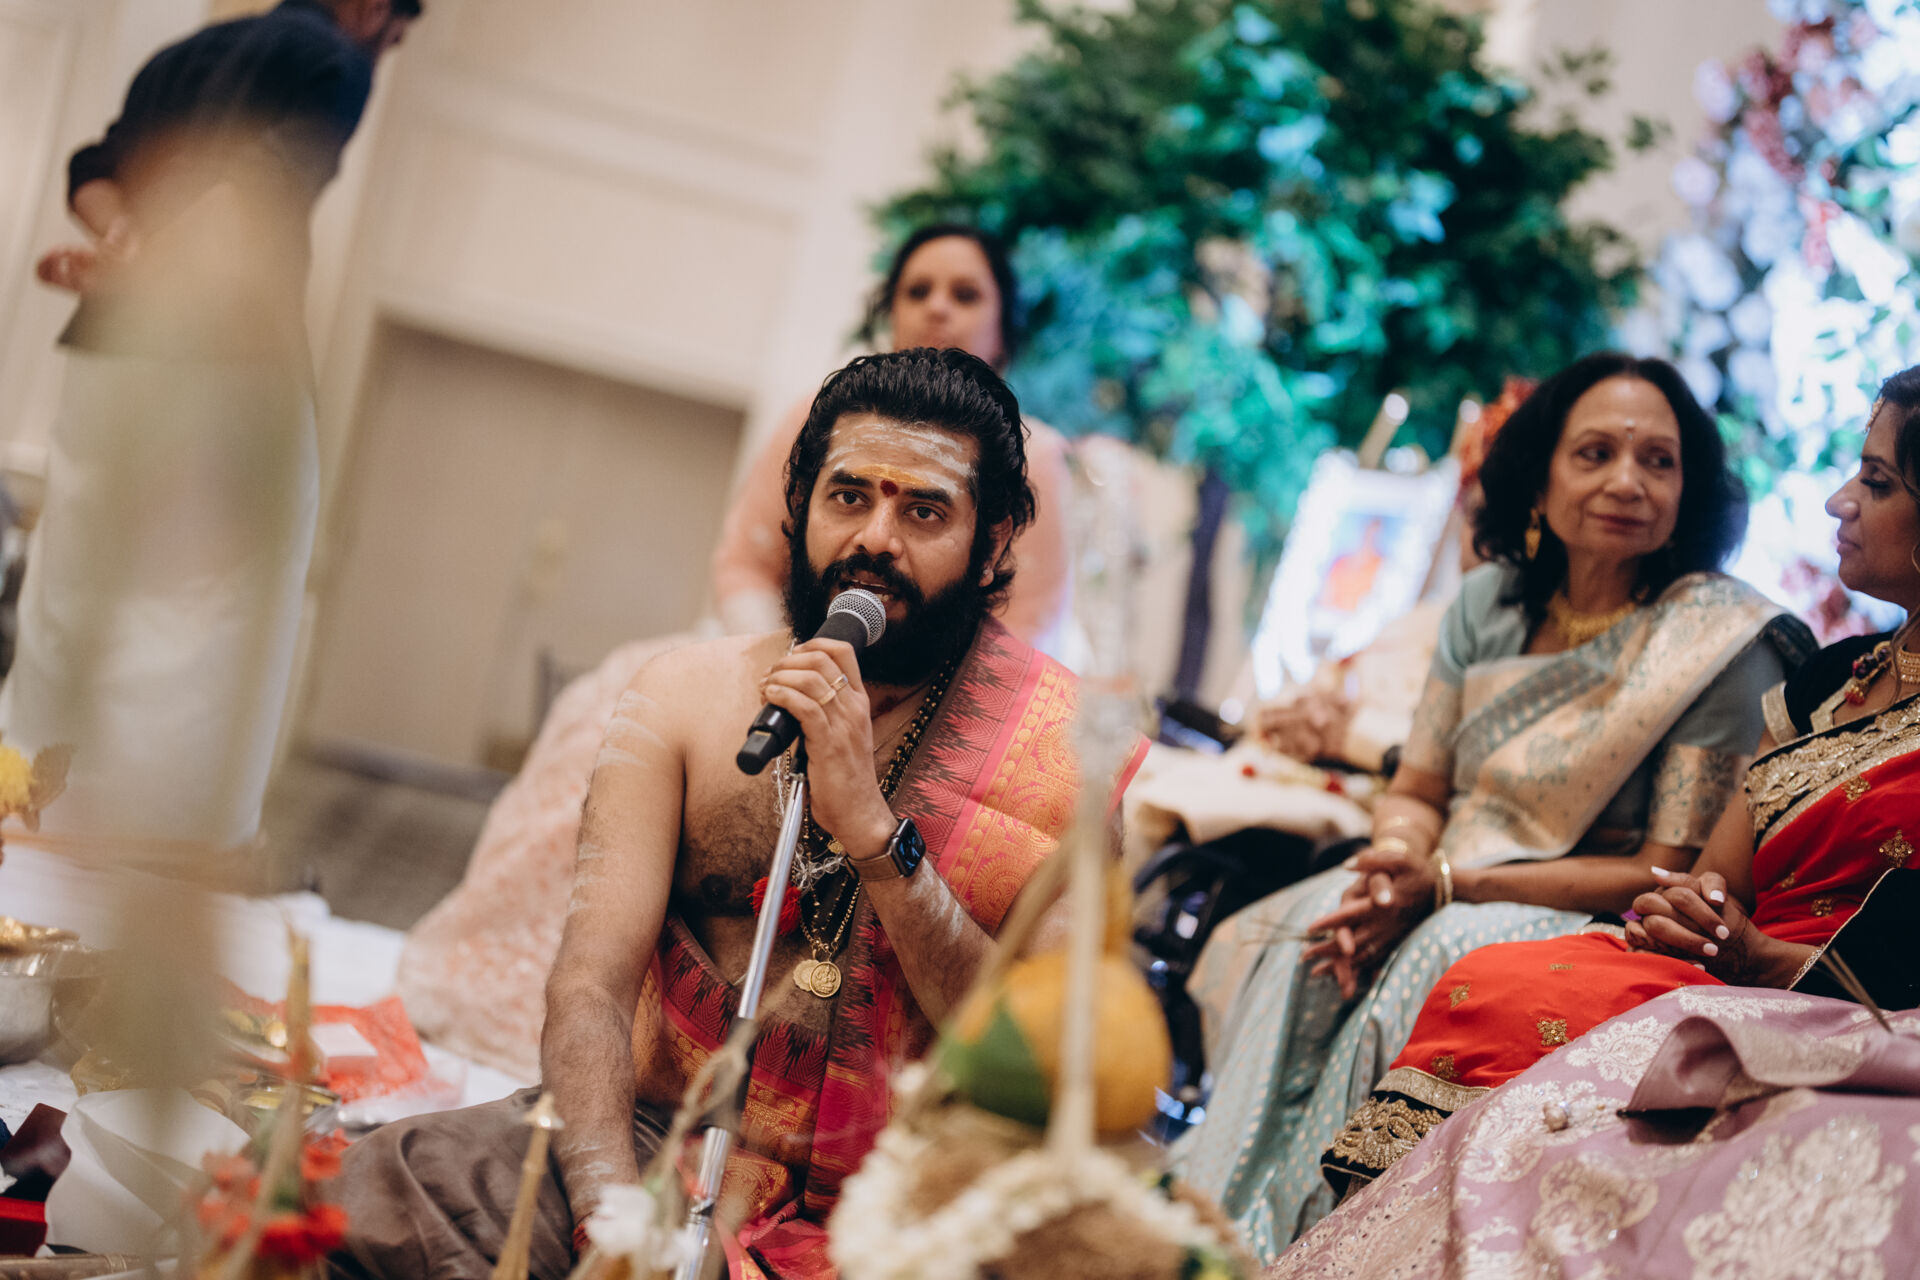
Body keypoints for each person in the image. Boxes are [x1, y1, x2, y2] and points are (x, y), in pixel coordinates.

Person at [331, 349, 1139, 1280]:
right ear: (800, 507)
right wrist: (612, 1225)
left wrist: (874, 834)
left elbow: (1040, 1074)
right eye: (848, 497)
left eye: (923, 512)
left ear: (993, 544)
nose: (875, 540)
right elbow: (590, 988)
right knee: (387, 1190)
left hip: (903, 1207)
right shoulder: (685, 700)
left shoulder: (1067, 762)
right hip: (655, 1143)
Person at [1170, 353, 1808, 1258]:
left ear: (1689, 489)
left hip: (1591, 914)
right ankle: (1207, 1221)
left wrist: (1444, 885)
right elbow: (1419, 790)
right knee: (1317, 926)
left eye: (1658, 461)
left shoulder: (1718, 643)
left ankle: (1312, 1249)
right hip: (1444, 872)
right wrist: (1395, 862)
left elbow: (1666, 872)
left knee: (1434, 955)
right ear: (1540, 479)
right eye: (1595, 453)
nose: (1627, 481)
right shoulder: (1485, 604)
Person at [1316, 365, 1920, 1197]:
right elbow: (1706, 883)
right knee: (1418, 958)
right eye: (1593, 454)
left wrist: (1759, 956)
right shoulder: (1833, 678)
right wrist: (1692, 916)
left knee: (1484, 974)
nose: (1839, 501)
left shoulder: (1724, 638)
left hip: (1836, 1002)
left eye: (1877, 482)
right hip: (1720, 966)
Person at [9, 0, 421, 849]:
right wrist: (153, 274)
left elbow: (93, 170)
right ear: (372, 8)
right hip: (230, 363)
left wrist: (123, 249)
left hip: (110, 354)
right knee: (220, 613)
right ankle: (166, 853)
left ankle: (30, 810)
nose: (387, 49)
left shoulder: (189, 51)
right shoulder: (335, 65)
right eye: (396, 33)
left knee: (72, 595)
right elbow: (250, 197)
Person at [711, 224, 1074, 655]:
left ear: (1004, 330)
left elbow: (1030, 627)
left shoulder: (1036, 457)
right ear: (891, 314)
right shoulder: (817, 418)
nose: (937, 307)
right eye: (917, 291)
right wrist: (787, 669)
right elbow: (746, 566)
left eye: (965, 295)